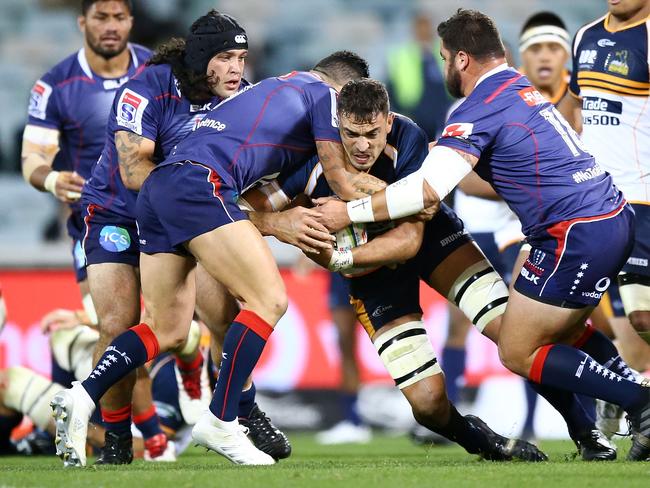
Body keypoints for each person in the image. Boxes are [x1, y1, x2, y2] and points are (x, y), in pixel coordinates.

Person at [315, 9, 650, 461]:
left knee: (517, 350)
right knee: (563, 331)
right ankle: (620, 405)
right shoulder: (517, 86)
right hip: (604, 216)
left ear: (461, 60)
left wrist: (347, 213)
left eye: (444, 58)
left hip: (574, 231)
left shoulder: (477, 109)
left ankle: (636, 400)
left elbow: (427, 191)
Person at [51, 50, 386, 467]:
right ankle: (222, 419)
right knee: (269, 300)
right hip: (200, 184)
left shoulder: (271, 89)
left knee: (166, 328)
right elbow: (340, 177)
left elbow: (266, 183)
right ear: (343, 91)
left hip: (160, 188)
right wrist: (413, 196)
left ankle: (83, 395)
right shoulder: (323, 95)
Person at [246, 78, 546, 462]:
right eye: (351, 134)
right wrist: (278, 224)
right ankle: (483, 441)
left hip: (431, 243)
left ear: (387, 122)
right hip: (374, 281)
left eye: (371, 133)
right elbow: (238, 211)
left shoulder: (408, 138)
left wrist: (342, 254)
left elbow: (408, 242)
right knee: (427, 405)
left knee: (514, 336)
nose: (361, 145)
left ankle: (591, 421)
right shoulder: (308, 161)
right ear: (336, 125)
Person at [74, 10, 289, 465]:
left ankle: (241, 412)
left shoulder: (244, 100)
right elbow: (133, 172)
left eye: (242, 57)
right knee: (118, 324)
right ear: (200, 58)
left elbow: (251, 173)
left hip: (183, 216)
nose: (237, 69)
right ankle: (116, 439)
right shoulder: (147, 87)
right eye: (226, 57)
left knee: (226, 315)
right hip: (118, 213)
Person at [21, 0, 149, 323]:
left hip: (157, 216)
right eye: (101, 17)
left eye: (118, 17)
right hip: (96, 223)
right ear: (82, 23)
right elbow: (32, 157)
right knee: (112, 330)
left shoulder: (156, 72)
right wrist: (52, 180)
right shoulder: (55, 86)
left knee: (176, 331)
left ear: (130, 22)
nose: (110, 26)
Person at [557, 0, 650, 438]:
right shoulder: (585, 36)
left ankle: (628, 395)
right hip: (595, 202)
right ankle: (616, 396)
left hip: (644, 198)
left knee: (642, 320)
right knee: (570, 314)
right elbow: (574, 105)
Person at [315, 272, 372, 445]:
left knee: (391, 336)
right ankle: (352, 420)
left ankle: (420, 406)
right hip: (340, 272)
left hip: (374, 267)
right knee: (345, 346)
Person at [386, 11, 452, 139]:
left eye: (426, 26)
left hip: (442, 112)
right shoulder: (401, 55)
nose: (424, 31)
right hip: (414, 113)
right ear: (414, 29)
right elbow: (391, 87)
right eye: (420, 26)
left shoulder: (443, 51)